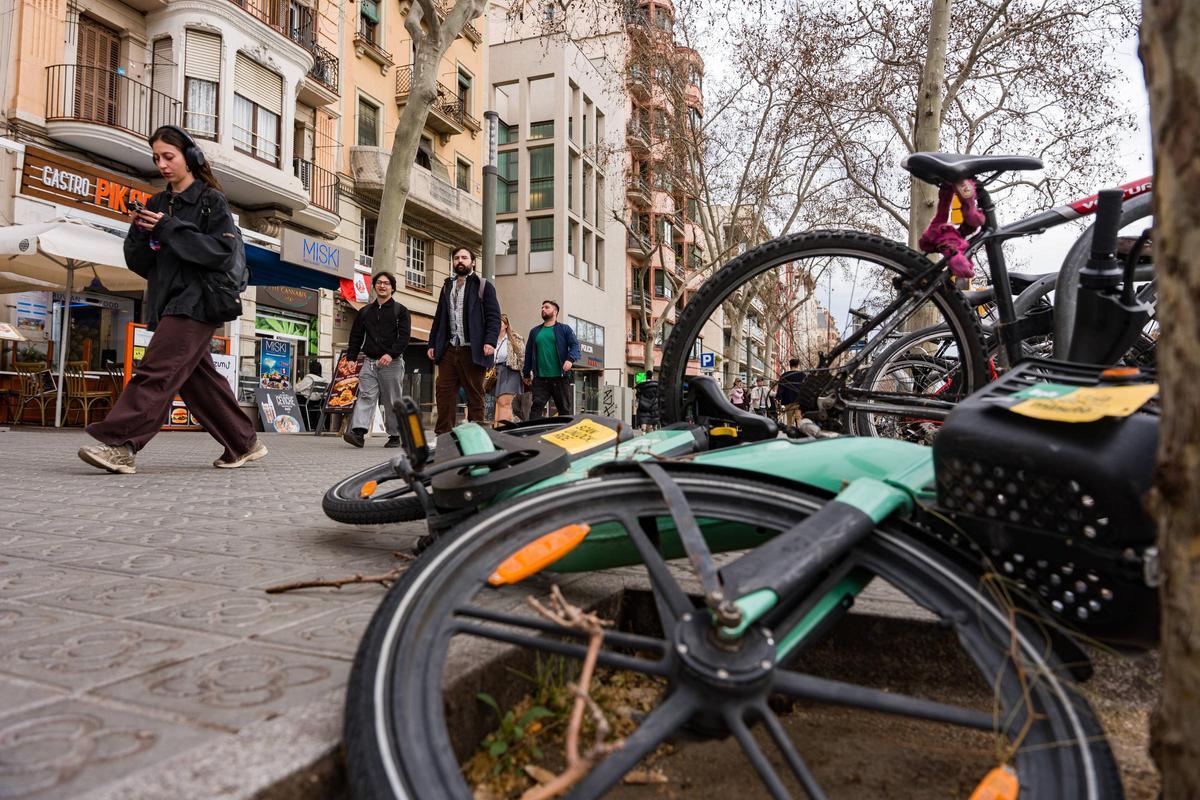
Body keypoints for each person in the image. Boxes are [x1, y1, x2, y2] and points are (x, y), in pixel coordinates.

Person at [78, 125, 265, 474]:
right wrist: (138, 232)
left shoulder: (211, 200)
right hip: (167, 301)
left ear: (190, 158)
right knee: (198, 382)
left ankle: (121, 445)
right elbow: (142, 264)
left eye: (169, 156)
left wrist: (168, 229)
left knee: (156, 371)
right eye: (156, 158)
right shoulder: (157, 202)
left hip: (199, 302)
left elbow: (220, 253)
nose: (162, 164)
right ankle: (244, 442)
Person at [427, 247, 502, 435]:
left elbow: (494, 317)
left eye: (464, 258)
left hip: (473, 349)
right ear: (453, 262)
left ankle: (476, 435)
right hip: (449, 349)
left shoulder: (483, 286)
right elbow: (439, 318)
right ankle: (443, 435)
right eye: (457, 258)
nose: (460, 261)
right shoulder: (447, 286)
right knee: (444, 393)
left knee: (475, 395)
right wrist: (432, 344)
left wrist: (490, 341)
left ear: (473, 262)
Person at [343, 272, 411, 448]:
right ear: (374, 286)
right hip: (370, 362)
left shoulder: (401, 311)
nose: (382, 286)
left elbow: (404, 337)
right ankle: (358, 432)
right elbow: (356, 335)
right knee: (366, 395)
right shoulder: (365, 311)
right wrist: (351, 357)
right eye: (379, 283)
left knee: (392, 399)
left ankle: (395, 435)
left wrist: (391, 354)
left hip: (392, 363)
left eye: (386, 283)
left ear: (392, 288)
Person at [523, 300, 580, 419]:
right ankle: (533, 435)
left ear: (555, 312)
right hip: (540, 379)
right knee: (536, 409)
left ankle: (565, 435)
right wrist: (526, 373)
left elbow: (575, 345)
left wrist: (570, 359)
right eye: (542, 307)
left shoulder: (564, 329)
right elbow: (528, 353)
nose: (543, 309)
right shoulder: (535, 332)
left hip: (560, 378)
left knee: (564, 410)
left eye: (547, 307)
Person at [492, 314, 525, 428]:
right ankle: (501, 428)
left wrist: (526, 375)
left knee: (504, 402)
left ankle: (503, 430)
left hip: (510, 371)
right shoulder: (491, 338)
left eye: (500, 322)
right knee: (498, 402)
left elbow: (522, 357)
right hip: (495, 372)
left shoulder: (514, 338)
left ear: (506, 325)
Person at [294, 359, 328, 429]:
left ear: (311, 368)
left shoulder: (310, 377)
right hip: (318, 402)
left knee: (295, 397)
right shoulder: (323, 379)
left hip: (308, 401)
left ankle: (299, 424)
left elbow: (297, 388)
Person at [776, 358, 808, 428]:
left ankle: (790, 433)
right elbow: (806, 388)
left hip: (788, 401)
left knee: (789, 420)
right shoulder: (803, 375)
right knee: (799, 418)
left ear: (790, 366)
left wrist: (778, 397)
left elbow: (781, 388)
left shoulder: (784, 375)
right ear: (798, 365)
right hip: (799, 401)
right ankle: (800, 432)